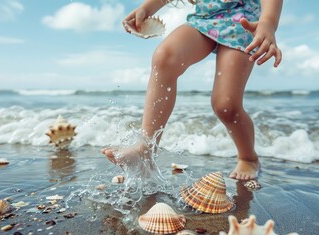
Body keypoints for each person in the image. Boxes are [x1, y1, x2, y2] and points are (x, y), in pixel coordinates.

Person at [102, 0, 283, 180]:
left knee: (225, 106)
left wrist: (268, 23)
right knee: (164, 57)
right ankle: (145, 151)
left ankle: (248, 157)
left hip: (242, 22)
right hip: (204, 19)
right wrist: (146, 8)